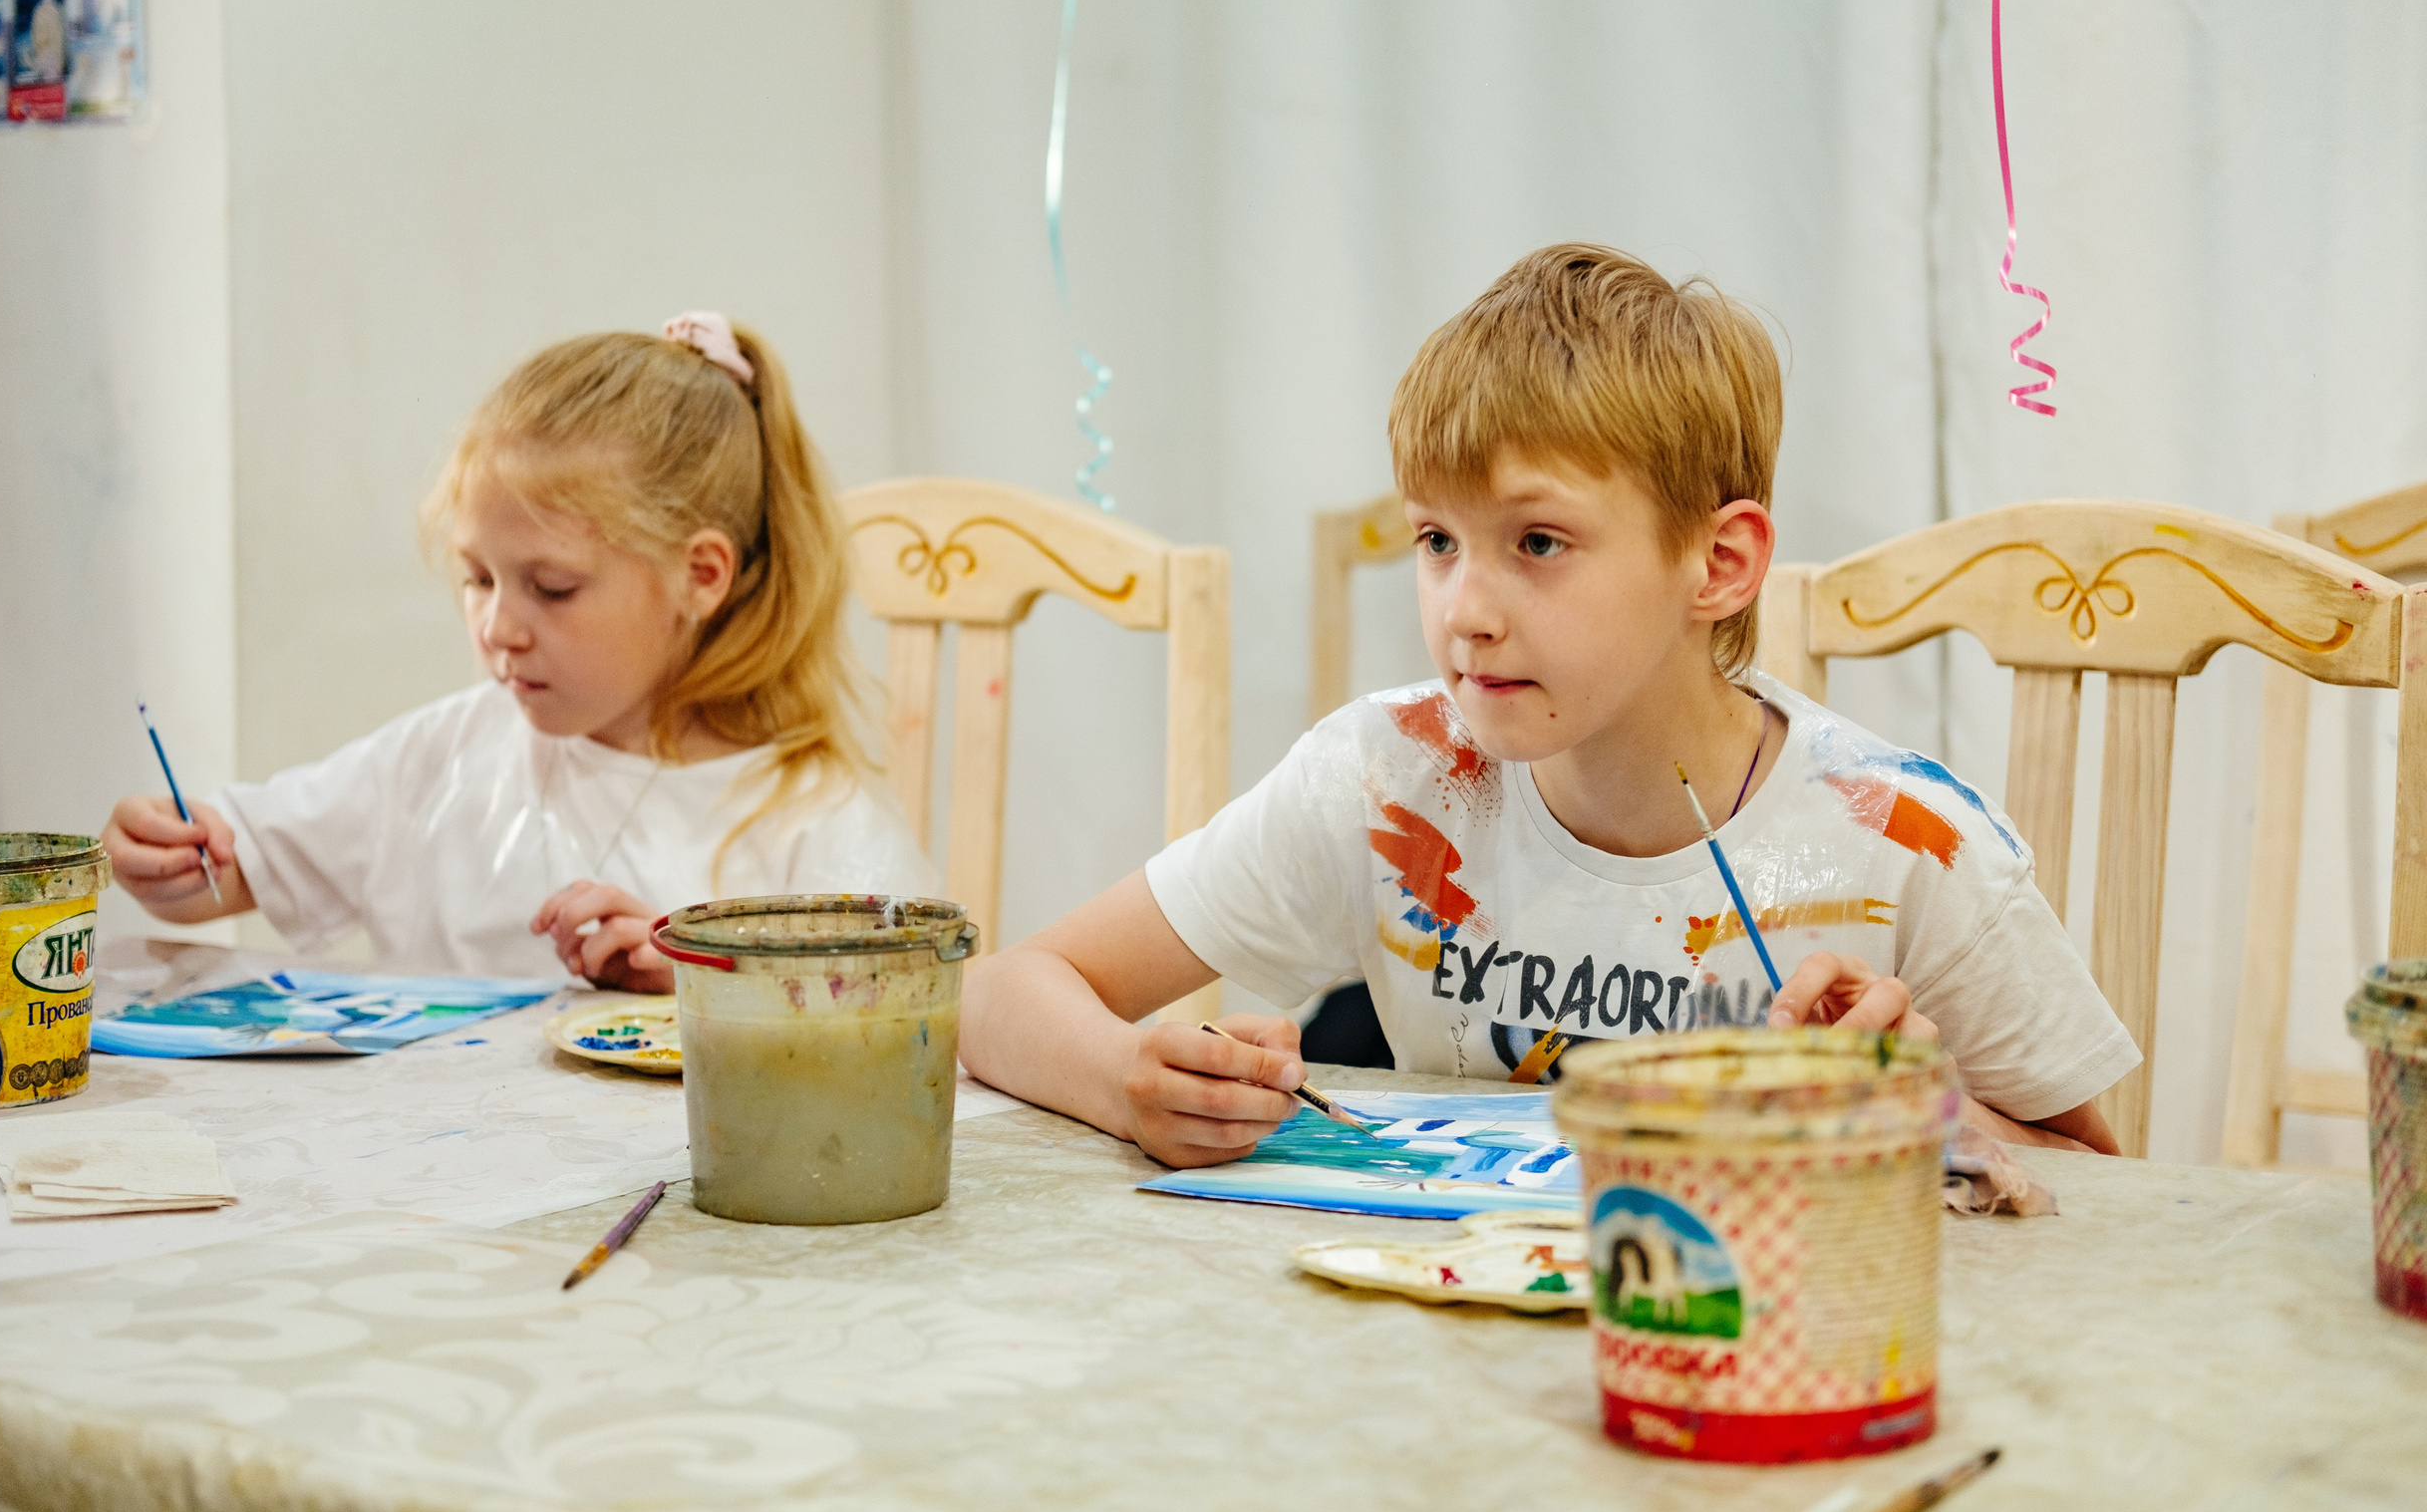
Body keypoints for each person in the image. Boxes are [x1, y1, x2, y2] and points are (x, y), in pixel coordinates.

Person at [959, 243, 2140, 1168]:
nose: (1463, 612)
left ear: (1720, 563)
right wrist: (1133, 1082)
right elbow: (998, 994)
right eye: (1436, 541)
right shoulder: (1389, 779)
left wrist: (1932, 1113)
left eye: (1537, 542)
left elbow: (2110, 1196)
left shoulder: (1904, 844)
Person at [104, 313, 936, 986]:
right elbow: (236, 869)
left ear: (700, 577)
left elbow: (896, 1029)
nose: (498, 627)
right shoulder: (444, 757)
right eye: (478, 578)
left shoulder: (813, 819)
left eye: (552, 587)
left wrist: (701, 987)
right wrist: (170, 852)